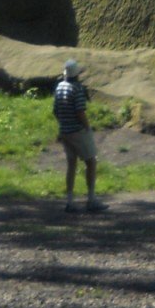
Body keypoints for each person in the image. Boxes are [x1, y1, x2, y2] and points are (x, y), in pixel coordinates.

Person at [53, 57, 102, 212]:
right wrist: (87, 127)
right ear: (77, 74)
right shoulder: (77, 88)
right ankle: (91, 199)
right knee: (91, 162)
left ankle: (69, 201)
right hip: (78, 131)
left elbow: (55, 110)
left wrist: (63, 124)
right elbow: (80, 110)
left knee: (71, 165)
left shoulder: (60, 87)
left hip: (65, 131)